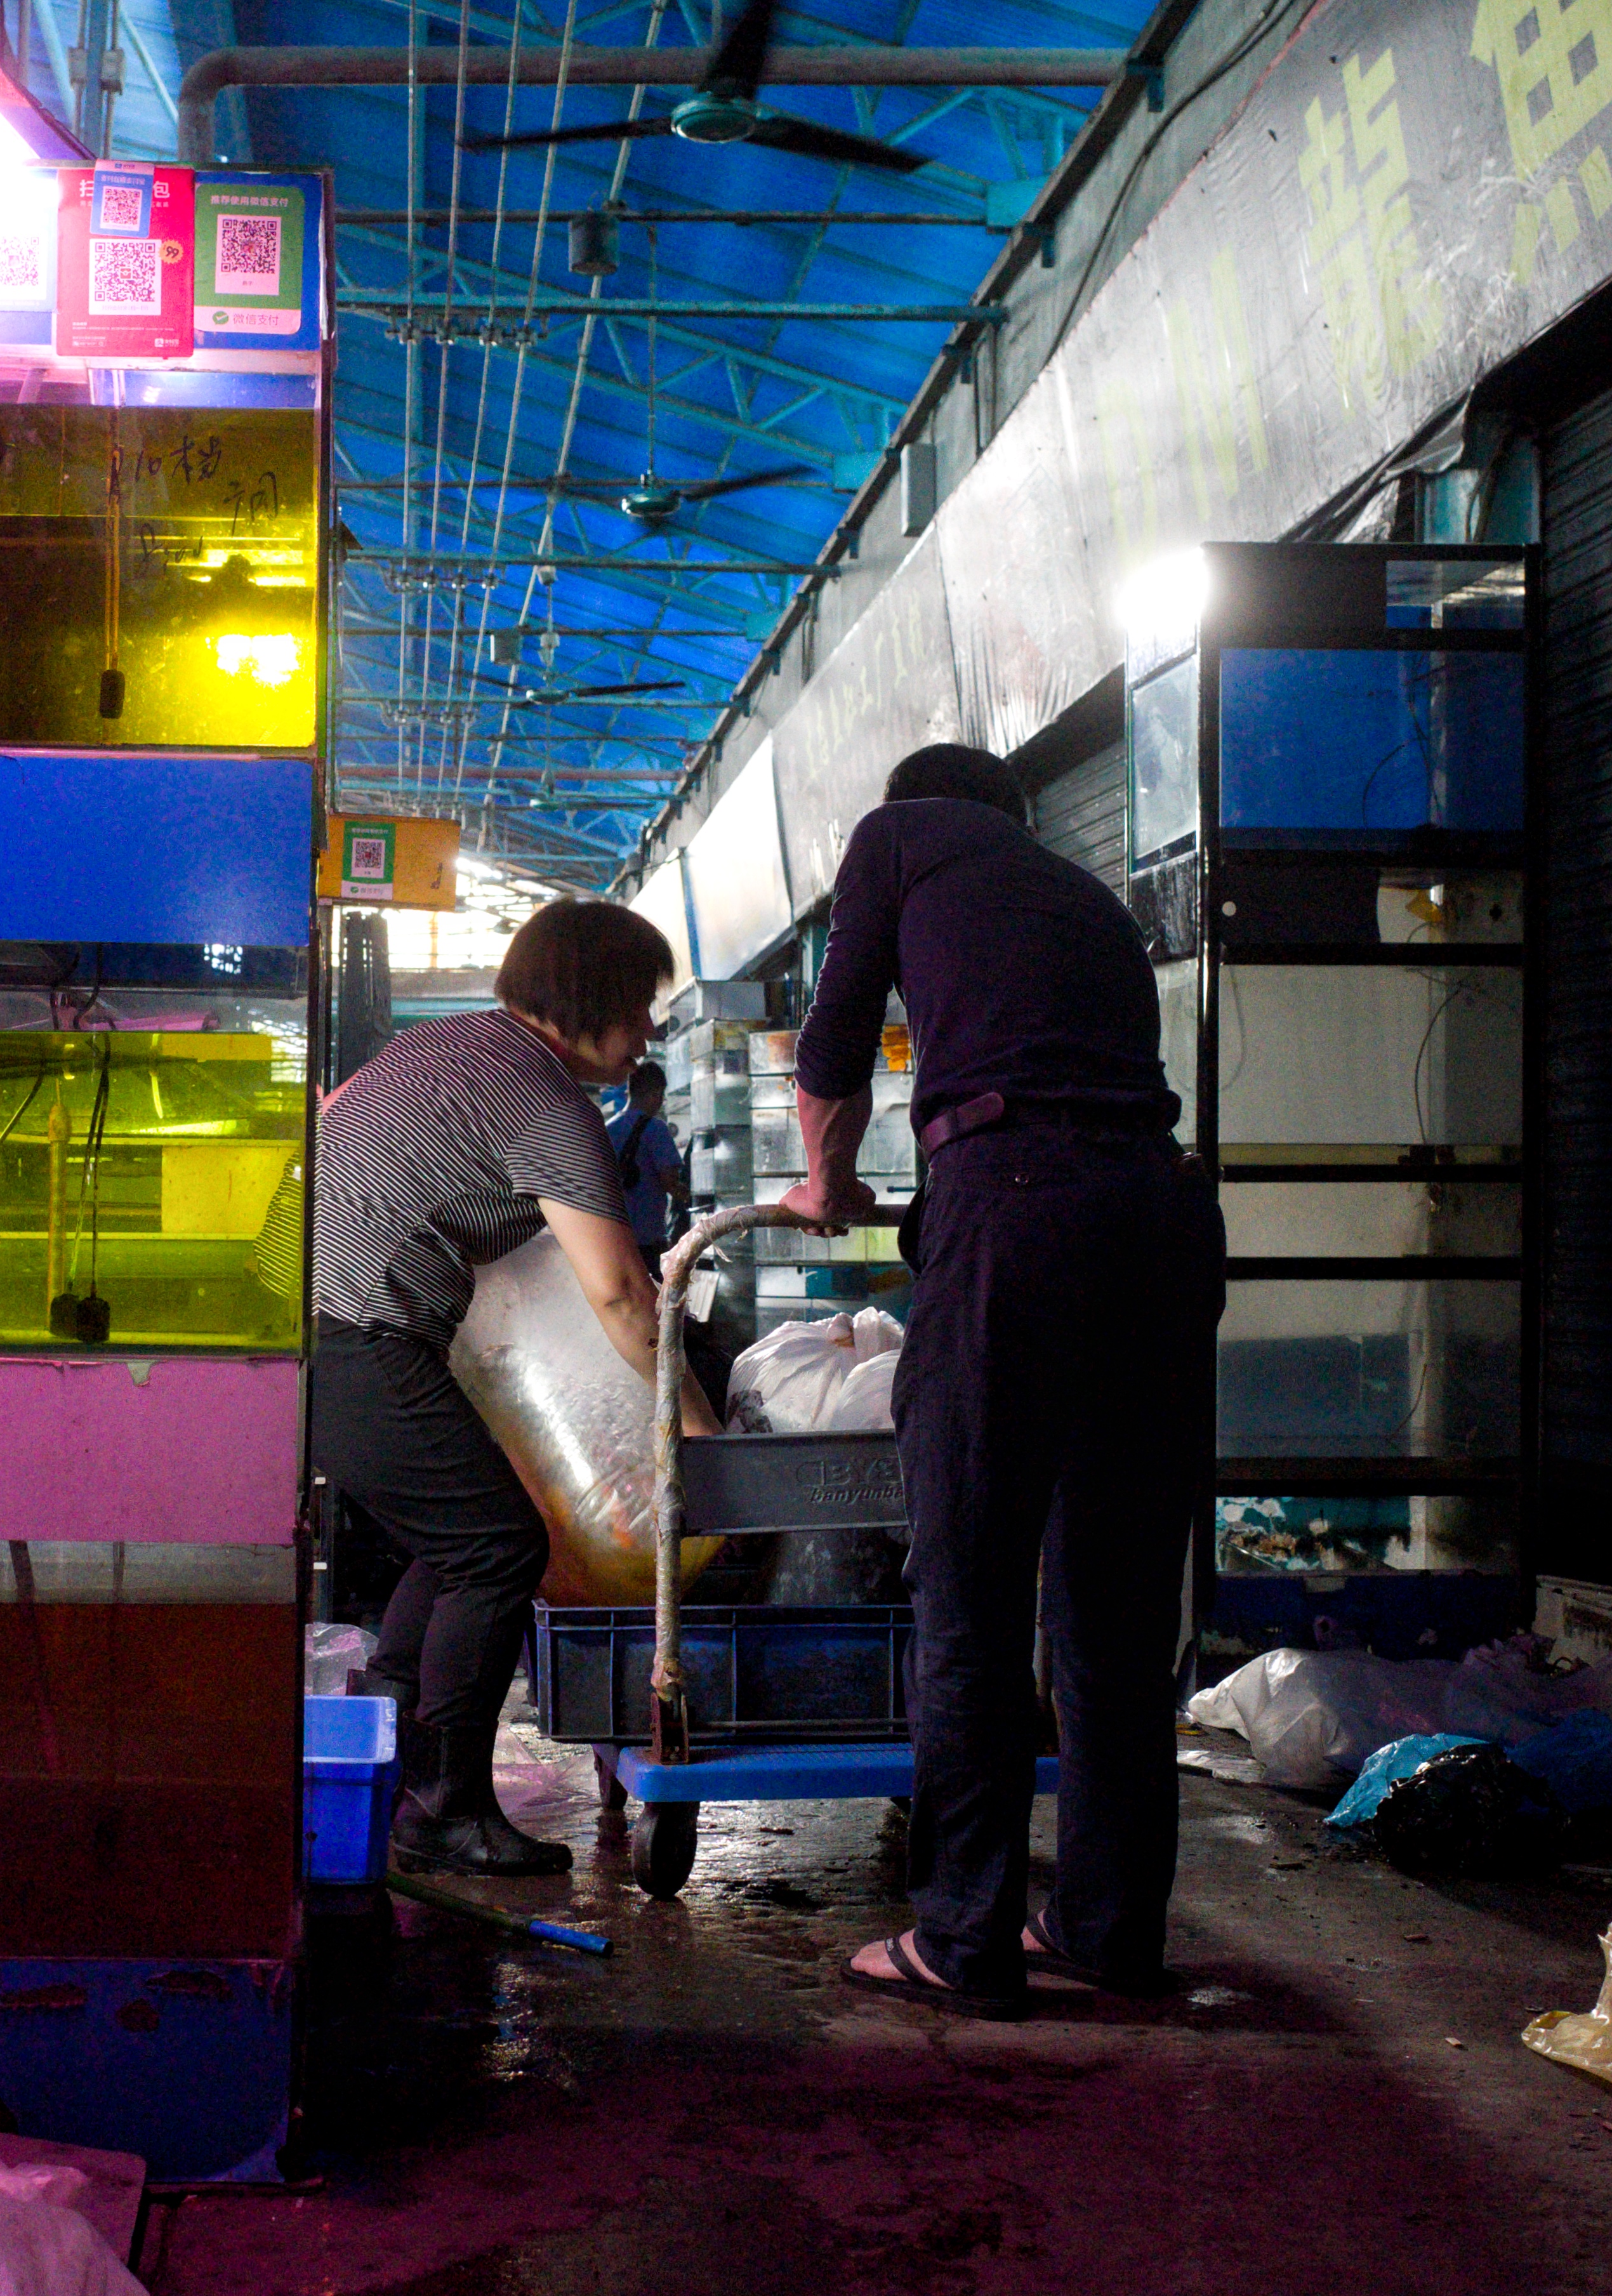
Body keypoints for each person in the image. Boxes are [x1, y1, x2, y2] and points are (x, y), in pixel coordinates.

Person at [784, 742, 1226, 2017]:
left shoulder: (901, 833)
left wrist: (824, 1181)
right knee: (1117, 1605)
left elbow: (833, 1034)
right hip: (1158, 1213)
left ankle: (963, 1938)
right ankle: (1104, 1927)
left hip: (1017, 1202)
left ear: (918, 799)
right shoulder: (1081, 894)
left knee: (970, 1586)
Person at [310, 900, 720, 1875]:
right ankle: (443, 1804)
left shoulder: (451, 1049)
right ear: (594, 997)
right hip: (355, 1334)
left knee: (458, 1540)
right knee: (499, 1548)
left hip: (307, 1328)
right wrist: (700, 1437)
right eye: (642, 1007)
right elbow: (622, 1296)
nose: (650, 1032)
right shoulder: (544, 1100)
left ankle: (405, 1764)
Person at [604, 1059, 689, 1278]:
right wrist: (686, 1195)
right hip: (648, 1239)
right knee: (657, 1302)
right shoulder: (656, 1128)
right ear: (656, 1094)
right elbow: (669, 1181)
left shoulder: (607, 1129)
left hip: (614, 1238)